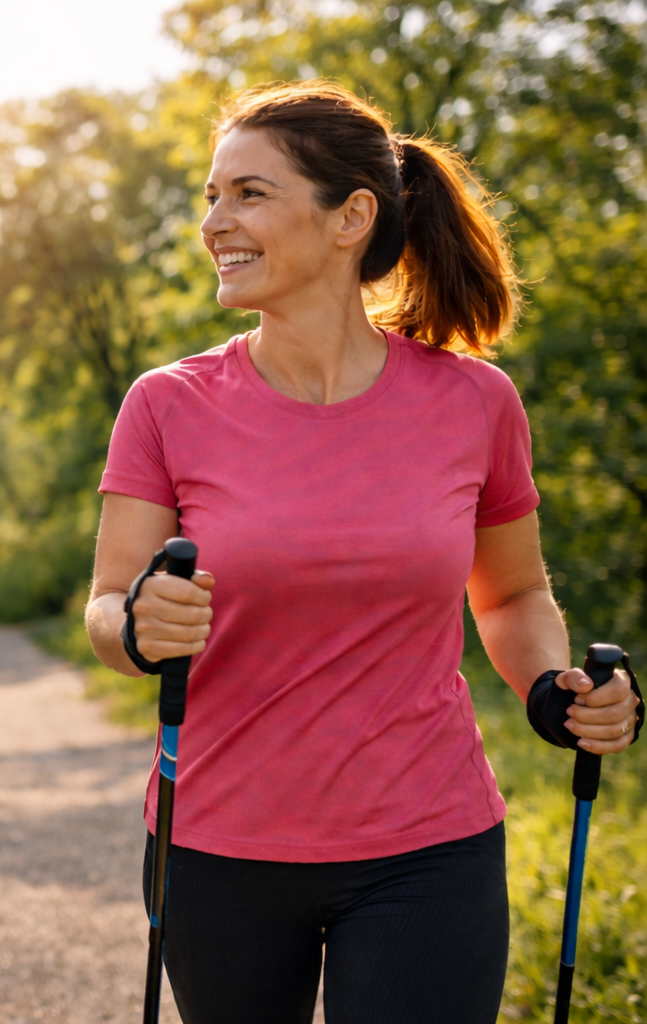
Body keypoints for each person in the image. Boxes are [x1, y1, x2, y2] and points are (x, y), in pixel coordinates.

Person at [84, 82, 641, 1023]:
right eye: (210, 197)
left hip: (430, 846)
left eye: (249, 194)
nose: (216, 222)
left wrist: (555, 690)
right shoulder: (166, 404)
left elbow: (509, 596)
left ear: (351, 217)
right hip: (220, 844)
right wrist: (136, 625)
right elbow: (105, 607)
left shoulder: (476, 404)